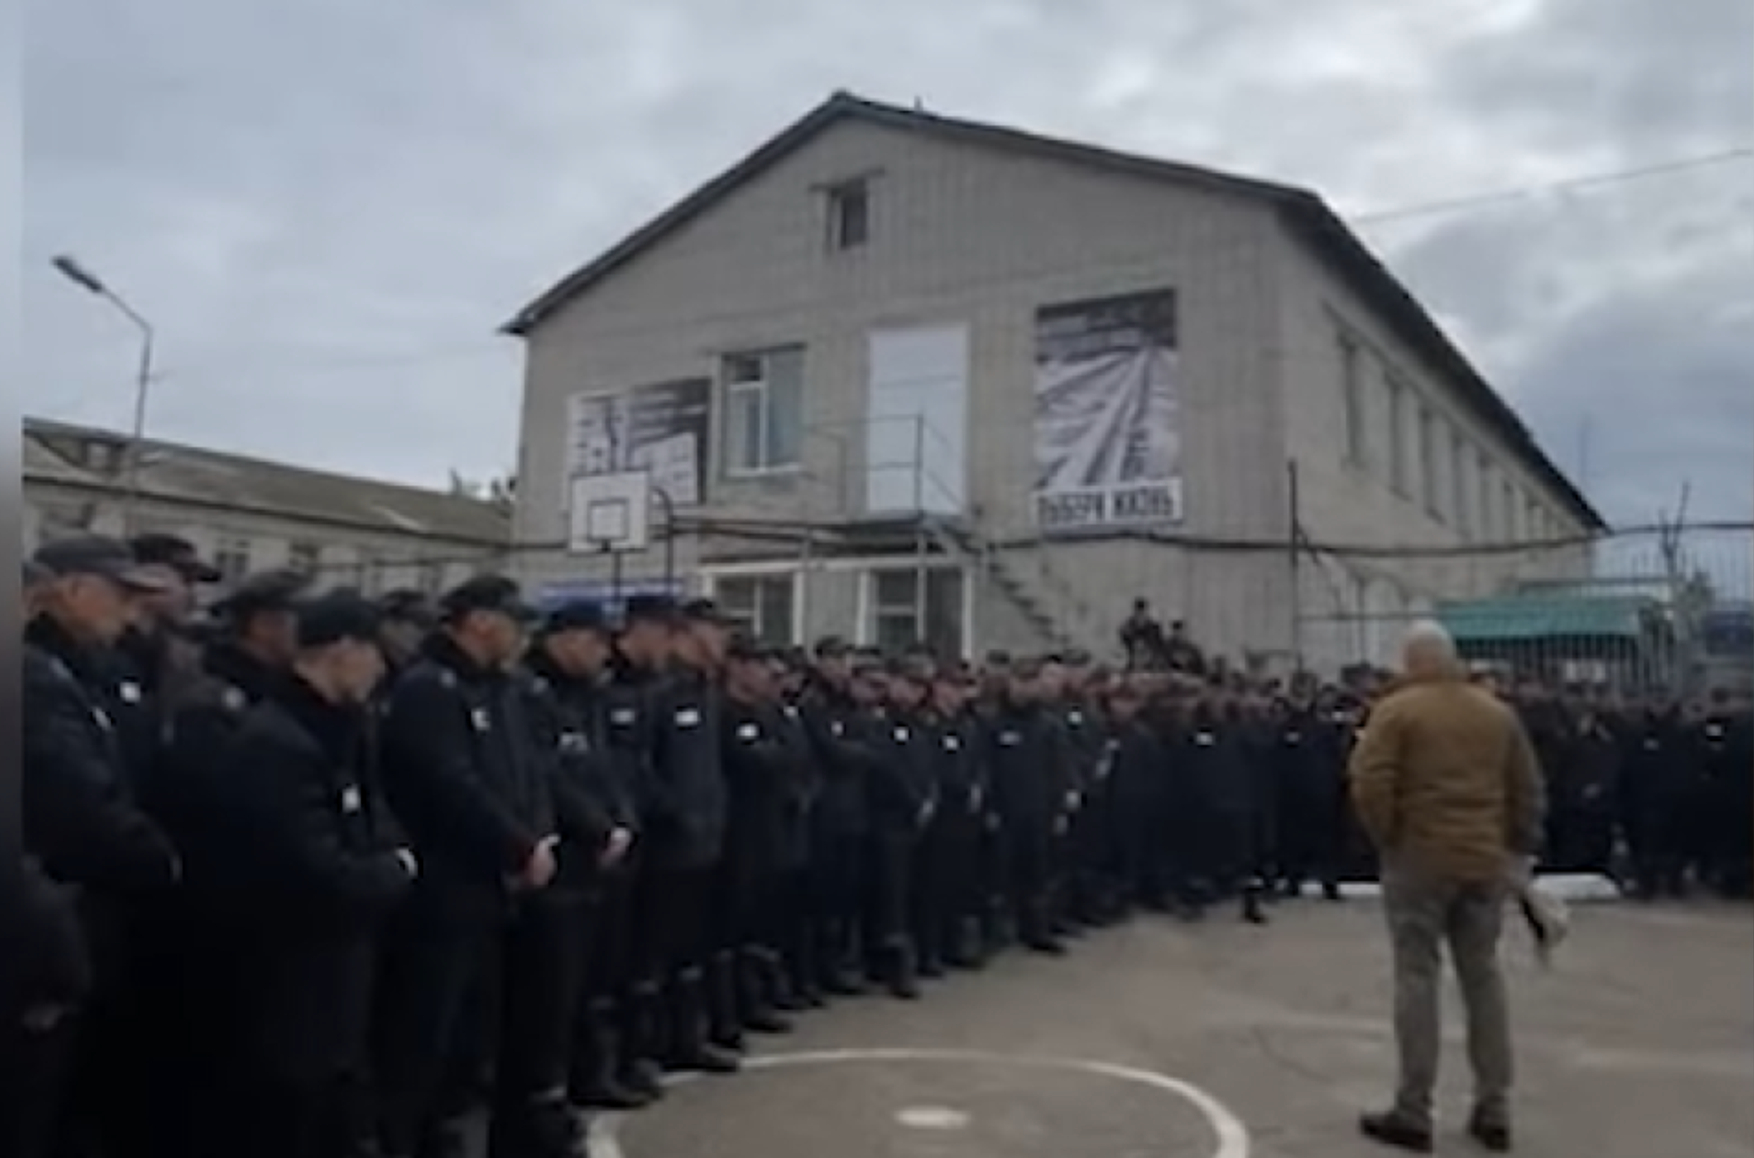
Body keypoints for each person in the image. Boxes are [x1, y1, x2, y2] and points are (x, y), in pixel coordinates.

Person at [209, 590, 417, 1158]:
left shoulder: (343, 731)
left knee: (334, 1100)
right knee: (288, 1113)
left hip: (340, 963)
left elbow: (379, 822)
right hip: (287, 971)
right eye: (374, 654)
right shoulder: (277, 743)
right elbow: (314, 868)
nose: (380, 670)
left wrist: (387, 861)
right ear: (343, 650)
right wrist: (394, 871)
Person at [1348, 621, 1543, 1154]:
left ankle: (1414, 1109)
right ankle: (1494, 1106)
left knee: (1418, 978)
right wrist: (1515, 847)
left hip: (1419, 860)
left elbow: (1370, 782)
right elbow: (1526, 789)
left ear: (1412, 662)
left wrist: (1388, 837)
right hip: (1483, 860)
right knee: (1483, 979)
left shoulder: (1397, 711)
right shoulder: (1495, 713)